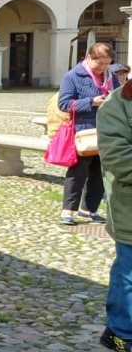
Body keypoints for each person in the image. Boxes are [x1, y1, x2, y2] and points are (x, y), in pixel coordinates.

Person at [58, 43, 116, 225]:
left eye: (107, 63)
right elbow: (64, 103)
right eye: (99, 63)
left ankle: (89, 209)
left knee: (100, 172)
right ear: (88, 58)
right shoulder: (73, 76)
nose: (103, 67)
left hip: (106, 130)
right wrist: (91, 101)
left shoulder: (111, 76)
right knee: (78, 171)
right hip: (83, 132)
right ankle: (68, 210)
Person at [97, 77, 132, 352]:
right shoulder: (118, 104)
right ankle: (120, 333)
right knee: (129, 272)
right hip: (129, 208)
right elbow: (119, 159)